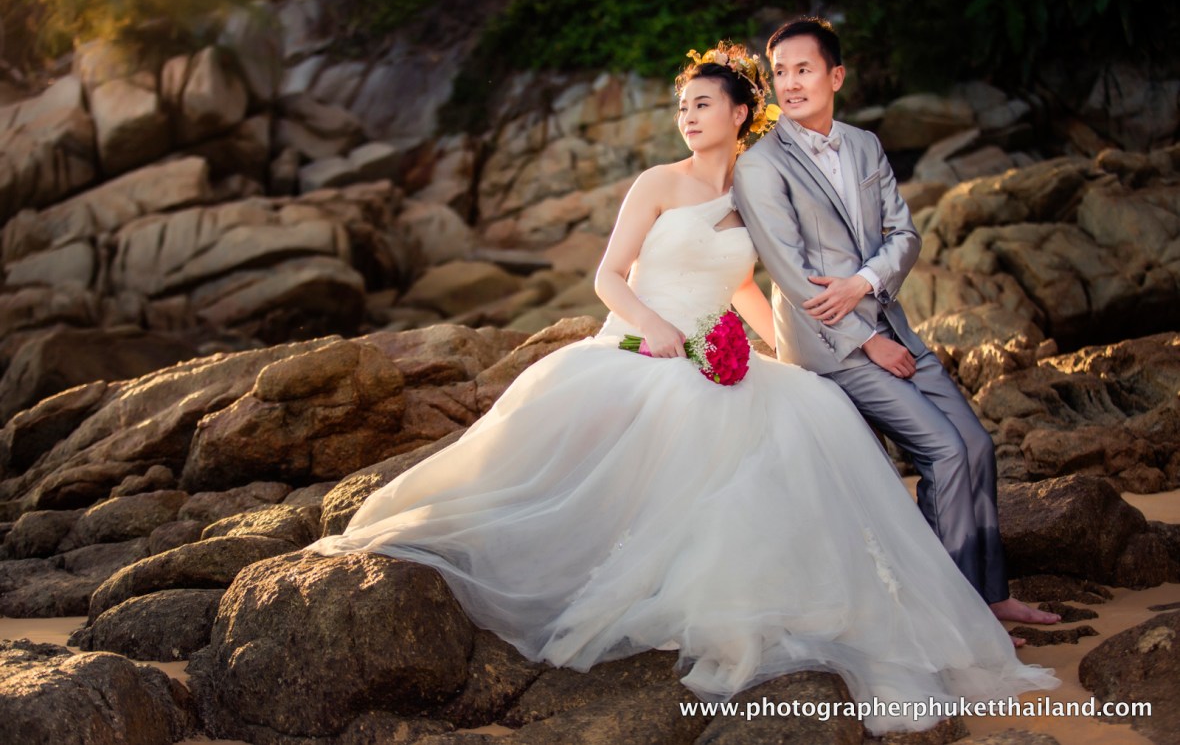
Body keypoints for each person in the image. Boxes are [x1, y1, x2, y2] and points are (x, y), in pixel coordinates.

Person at [306, 42, 1056, 734]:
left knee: (808, 417)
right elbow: (607, 276)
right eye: (682, 107)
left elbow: (746, 286)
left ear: (740, 114)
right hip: (642, 345)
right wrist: (656, 329)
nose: (689, 117)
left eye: (703, 104)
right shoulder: (657, 183)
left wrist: (777, 352)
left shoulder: (756, 192)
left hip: (716, 350)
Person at [732, 18, 1060, 640]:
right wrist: (866, 337)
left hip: (890, 322)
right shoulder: (760, 164)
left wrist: (864, 285)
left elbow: (903, 236)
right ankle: (949, 613)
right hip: (833, 347)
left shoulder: (864, 146)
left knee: (979, 447)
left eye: (804, 70)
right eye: (780, 73)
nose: (790, 83)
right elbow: (793, 276)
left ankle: (988, 596)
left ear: (836, 75)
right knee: (941, 450)